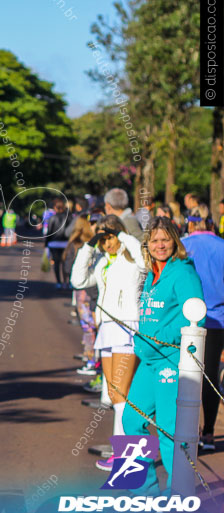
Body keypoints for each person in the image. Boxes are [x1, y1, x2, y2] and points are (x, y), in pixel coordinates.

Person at [123, 217, 205, 494]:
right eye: (155, 240)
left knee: (171, 430)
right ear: (147, 243)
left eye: (165, 239)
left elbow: (194, 316)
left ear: (175, 241)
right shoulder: (153, 273)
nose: (160, 245)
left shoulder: (182, 272)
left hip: (171, 360)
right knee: (131, 420)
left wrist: (159, 338)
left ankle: (178, 494)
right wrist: (142, 341)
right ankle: (141, 492)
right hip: (149, 361)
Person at [71, 215, 145, 471]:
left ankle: (126, 456)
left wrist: (122, 235)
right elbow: (78, 281)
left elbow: (144, 259)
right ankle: (122, 452)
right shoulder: (103, 261)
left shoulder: (132, 258)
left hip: (127, 326)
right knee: (115, 393)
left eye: (110, 237)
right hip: (108, 329)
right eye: (104, 240)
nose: (107, 243)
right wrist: (89, 246)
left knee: (121, 392)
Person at [182, 206, 224, 452]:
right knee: (209, 376)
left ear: (189, 223)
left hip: (188, 321)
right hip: (219, 319)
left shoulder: (183, 246)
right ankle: (208, 432)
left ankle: (188, 430)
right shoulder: (221, 245)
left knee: (189, 374)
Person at [65, 213, 98, 373]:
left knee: (88, 328)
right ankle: (94, 360)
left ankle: (91, 361)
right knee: (95, 327)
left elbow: (67, 268)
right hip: (95, 290)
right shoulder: (98, 244)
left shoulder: (77, 244)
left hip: (82, 291)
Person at [45, 198, 70, 289]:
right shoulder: (68, 217)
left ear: (55, 208)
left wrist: (46, 244)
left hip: (54, 243)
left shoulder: (52, 218)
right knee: (65, 263)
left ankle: (58, 282)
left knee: (56, 263)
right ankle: (66, 282)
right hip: (66, 243)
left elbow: (49, 232)